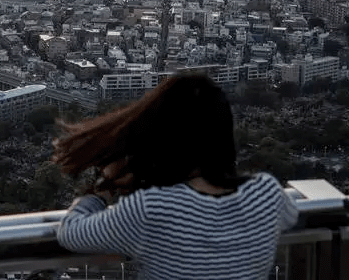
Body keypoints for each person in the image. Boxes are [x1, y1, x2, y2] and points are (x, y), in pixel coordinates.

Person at [52, 74, 298, 279]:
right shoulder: (266, 194)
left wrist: (101, 190)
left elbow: (72, 233)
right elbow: (291, 216)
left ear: (163, 137)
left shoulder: (154, 207)